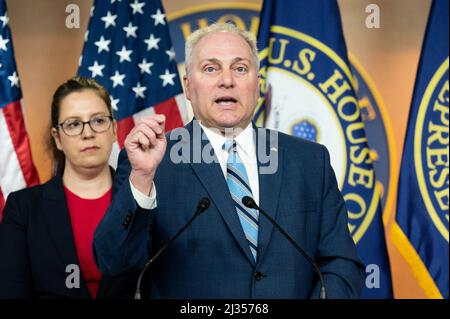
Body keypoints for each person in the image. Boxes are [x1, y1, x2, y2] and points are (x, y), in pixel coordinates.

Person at [93, 23, 366, 298]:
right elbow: (115, 263)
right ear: (188, 86)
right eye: (211, 68)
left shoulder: (309, 161)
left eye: (240, 68)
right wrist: (141, 180)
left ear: (257, 84)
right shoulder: (152, 161)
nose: (227, 80)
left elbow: (341, 263)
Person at [0, 77, 140, 299]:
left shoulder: (142, 200)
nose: (88, 133)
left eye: (98, 120)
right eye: (73, 124)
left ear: (114, 130)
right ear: (57, 138)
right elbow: (11, 291)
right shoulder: (23, 208)